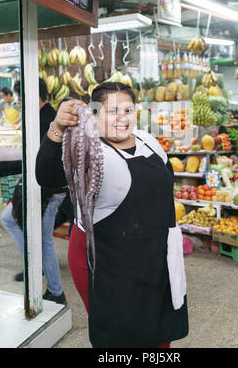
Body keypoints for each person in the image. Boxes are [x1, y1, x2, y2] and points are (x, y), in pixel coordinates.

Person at [35, 82, 189, 348]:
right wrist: (57, 128)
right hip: (107, 262)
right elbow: (47, 177)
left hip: (156, 255)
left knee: (159, 332)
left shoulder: (148, 141)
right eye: (113, 111)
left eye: (128, 110)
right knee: (122, 336)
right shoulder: (88, 152)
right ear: (94, 114)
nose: (122, 117)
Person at [0, 79, 68, 304]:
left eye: (22, 98)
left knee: (44, 240)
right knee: (10, 218)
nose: (20, 103)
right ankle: (35, 267)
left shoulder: (48, 120)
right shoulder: (39, 117)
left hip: (49, 191)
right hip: (38, 186)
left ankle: (55, 291)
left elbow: (33, 160)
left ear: (34, 96)